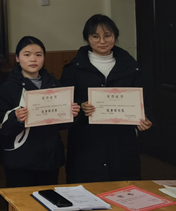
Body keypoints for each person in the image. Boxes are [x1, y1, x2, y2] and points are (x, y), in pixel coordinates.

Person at [61, 15, 152, 184]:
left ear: (115, 36)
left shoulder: (131, 67)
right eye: (95, 36)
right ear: (87, 38)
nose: (102, 41)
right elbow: (64, 104)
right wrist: (81, 106)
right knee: (85, 191)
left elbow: (144, 99)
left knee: (124, 191)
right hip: (86, 143)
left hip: (121, 143)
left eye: (107, 35)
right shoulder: (73, 68)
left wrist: (144, 118)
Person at [0, 36, 80, 189]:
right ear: (17, 58)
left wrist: (71, 114)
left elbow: (61, 125)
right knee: (21, 201)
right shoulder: (7, 88)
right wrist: (16, 118)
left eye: (38, 54)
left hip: (50, 158)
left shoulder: (54, 84)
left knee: (48, 200)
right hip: (20, 160)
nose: (33, 59)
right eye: (27, 54)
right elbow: (0, 125)